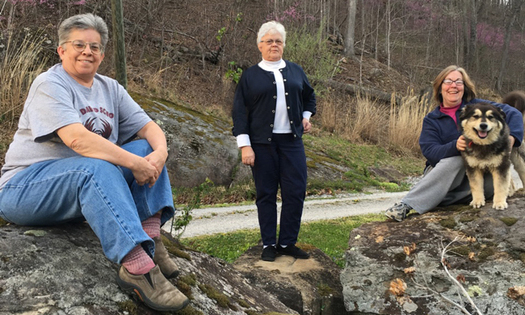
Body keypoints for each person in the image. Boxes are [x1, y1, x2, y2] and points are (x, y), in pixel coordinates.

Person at [0, 14, 189, 312]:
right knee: (97, 166)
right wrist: (135, 164)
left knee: (145, 148)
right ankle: (137, 267)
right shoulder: (49, 84)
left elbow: (149, 128)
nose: (88, 51)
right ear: (62, 50)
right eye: (79, 44)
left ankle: (151, 236)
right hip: (24, 188)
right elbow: (78, 140)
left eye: (95, 46)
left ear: (102, 54)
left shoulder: (109, 87)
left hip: (77, 185)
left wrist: (160, 152)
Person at [385, 65, 524, 222]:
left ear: (464, 87)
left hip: (475, 173)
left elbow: (514, 113)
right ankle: (407, 205)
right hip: (443, 171)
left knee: (492, 186)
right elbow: (430, 152)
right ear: (440, 87)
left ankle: (435, 198)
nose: (454, 86)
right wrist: (454, 146)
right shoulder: (432, 119)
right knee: (458, 159)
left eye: (459, 82)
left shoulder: (477, 106)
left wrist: (512, 138)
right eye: (448, 81)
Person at [231, 21, 316, 262]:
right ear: (260, 45)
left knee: (295, 191)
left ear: (284, 45)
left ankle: (288, 242)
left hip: (292, 142)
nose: (274, 45)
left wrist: (306, 117)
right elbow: (239, 113)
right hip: (261, 144)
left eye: (278, 41)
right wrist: (244, 145)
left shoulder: (296, 70)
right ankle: (269, 243)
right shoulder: (250, 76)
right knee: (266, 193)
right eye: (269, 41)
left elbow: (310, 98)